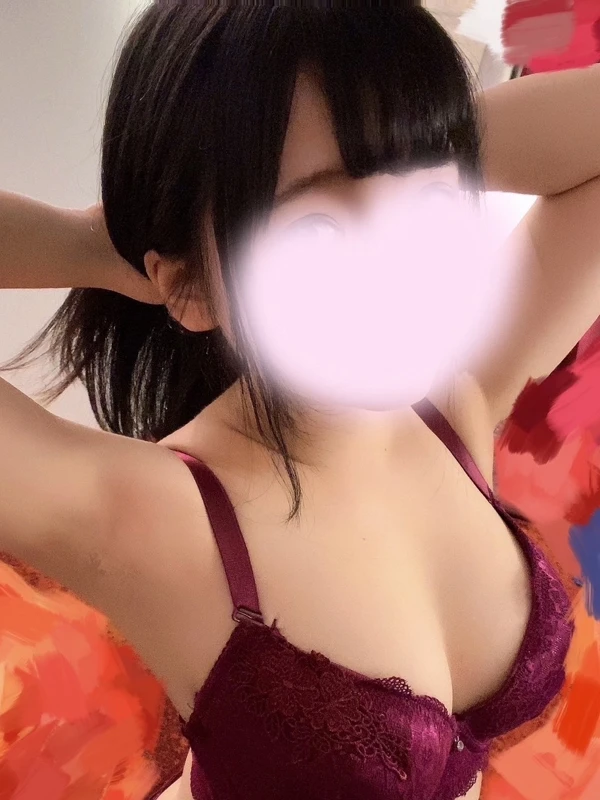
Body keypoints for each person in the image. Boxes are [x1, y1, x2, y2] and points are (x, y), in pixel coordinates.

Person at [1, 3, 599, 799]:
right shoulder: (154, 516)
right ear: (188, 285)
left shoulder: (452, 408)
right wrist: (90, 245)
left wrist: (402, 134)